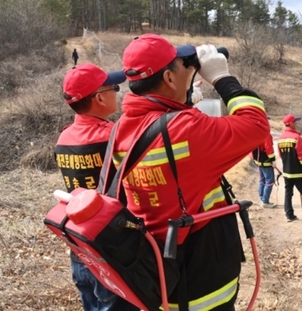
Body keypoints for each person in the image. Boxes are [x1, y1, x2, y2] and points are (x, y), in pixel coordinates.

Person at [112, 34, 270, 310]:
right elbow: (256, 125)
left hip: (157, 272)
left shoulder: (121, 127)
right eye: (185, 64)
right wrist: (222, 78)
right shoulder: (184, 128)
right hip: (201, 278)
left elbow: (177, 164)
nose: (190, 67)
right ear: (170, 79)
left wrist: (182, 101)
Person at [54, 63, 140, 311]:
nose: (118, 92)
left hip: (80, 247)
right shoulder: (112, 136)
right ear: (100, 98)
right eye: (114, 88)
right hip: (112, 252)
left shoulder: (64, 137)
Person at [252, 128, 277, 208]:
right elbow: (268, 148)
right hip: (266, 161)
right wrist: (273, 160)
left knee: (262, 180)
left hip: (258, 161)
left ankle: (261, 199)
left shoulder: (255, 133)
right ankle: (265, 201)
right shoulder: (266, 134)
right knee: (269, 181)